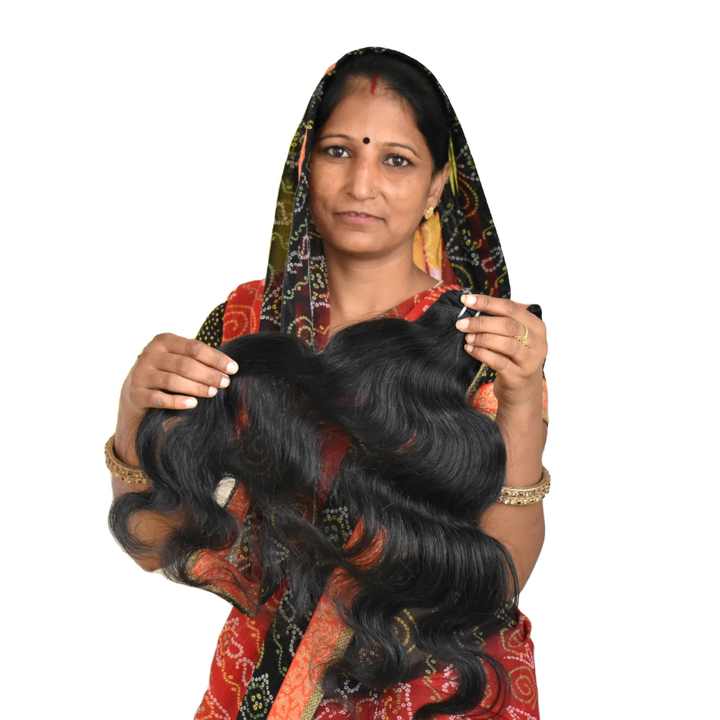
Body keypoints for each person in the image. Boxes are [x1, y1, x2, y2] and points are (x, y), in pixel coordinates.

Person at [106, 46, 550, 719]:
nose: (362, 185)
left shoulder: (481, 339)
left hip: (437, 689)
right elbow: (157, 542)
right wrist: (131, 415)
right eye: (339, 152)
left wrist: (521, 400)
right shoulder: (242, 322)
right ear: (304, 165)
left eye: (396, 160)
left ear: (436, 187)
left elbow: (504, 579)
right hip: (274, 680)